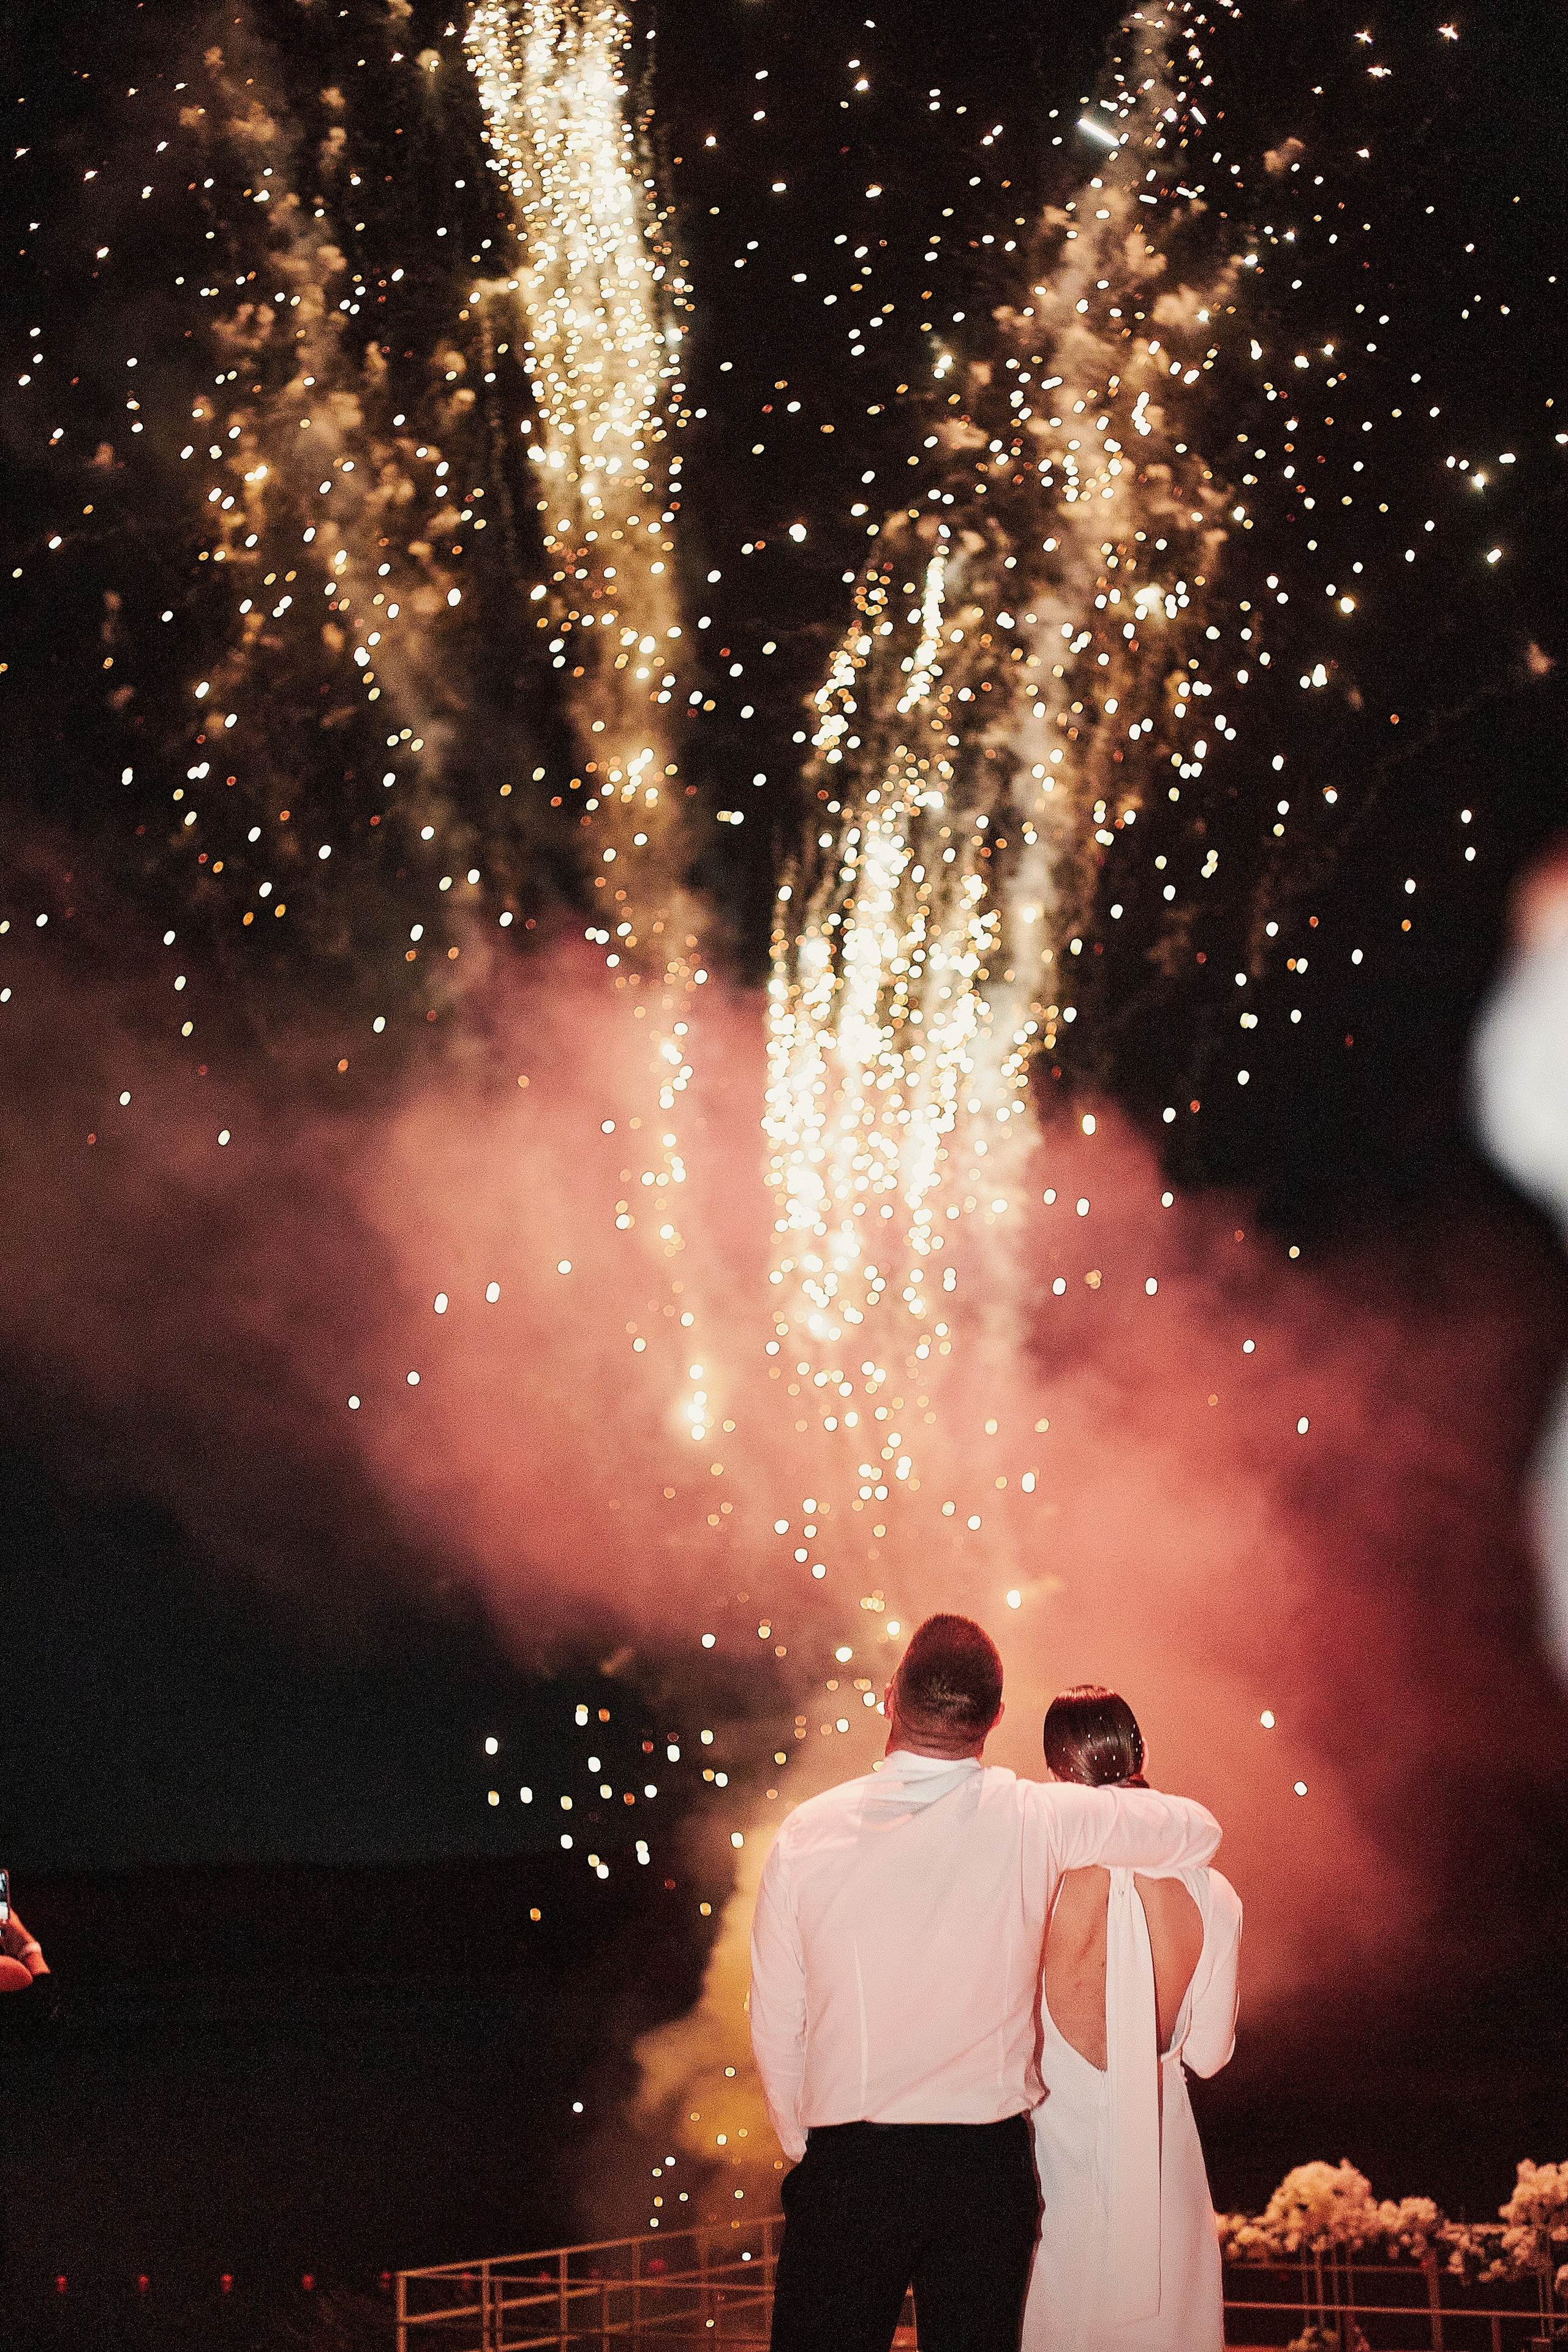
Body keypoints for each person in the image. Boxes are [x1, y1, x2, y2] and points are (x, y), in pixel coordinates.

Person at [749, 1616, 1222, 2352]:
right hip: (981, 2171)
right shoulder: (1035, 1815)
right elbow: (1194, 1830)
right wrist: (1103, 1806)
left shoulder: (807, 1832)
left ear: (888, 1700)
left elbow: (778, 2020)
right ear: (994, 1719)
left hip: (853, 2166)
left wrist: (809, 2151)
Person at [1020, 1686, 1242, 2352]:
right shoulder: (1213, 1891)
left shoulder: (1038, 1881)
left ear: (1057, 1771)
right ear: (1139, 1752)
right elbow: (1209, 2054)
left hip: (1051, 2179)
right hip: (1164, 2174)